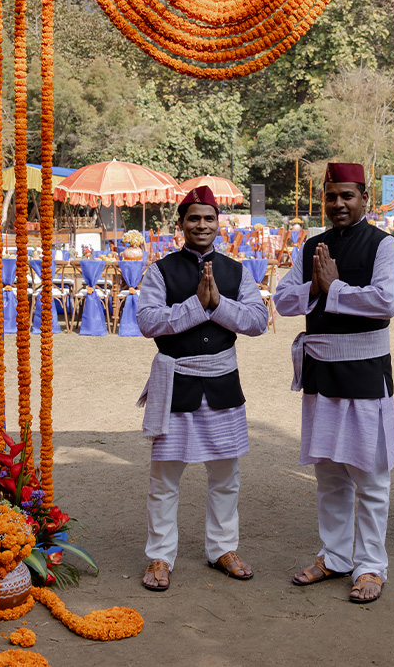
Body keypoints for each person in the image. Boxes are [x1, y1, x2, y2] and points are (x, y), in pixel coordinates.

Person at [274, 162, 394, 604]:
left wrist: (335, 288)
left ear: (365, 198)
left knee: (369, 476)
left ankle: (370, 567)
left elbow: (387, 301)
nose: (338, 204)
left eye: (347, 196)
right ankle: (335, 557)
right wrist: (315, 282)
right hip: (321, 369)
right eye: (331, 197)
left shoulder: (384, 246)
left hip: (365, 368)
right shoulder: (311, 245)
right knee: (329, 474)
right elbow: (284, 299)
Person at [136, 185, 270, 592]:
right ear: (181, 225)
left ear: (218, 223)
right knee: (165, 478)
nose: (201, 225)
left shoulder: (236, 270)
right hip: (176, 383)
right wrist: (196, 305)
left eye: (208, 218)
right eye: (193, 218)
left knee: (226, 475)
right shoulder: (160, 270)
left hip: (222, 383)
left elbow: (258, 321)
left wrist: (217, 305)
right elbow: (147, 322)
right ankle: (160, 556)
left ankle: (223, 549)